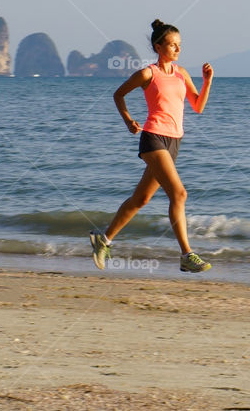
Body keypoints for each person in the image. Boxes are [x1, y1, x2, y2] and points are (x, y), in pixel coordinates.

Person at [90, 19, 214, 273]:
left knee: (141, 199)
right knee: (179, 194)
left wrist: (207, 81)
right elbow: (118, 94)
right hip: (153, 138)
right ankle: (186, 255)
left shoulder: (182, 74)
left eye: (179, 45)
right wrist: (128, 120)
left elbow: (198, 106)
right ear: (158, 47)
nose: (177, 50)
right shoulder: (148, 74)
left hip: (174, 141)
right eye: (172, 45)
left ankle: (103, 240)